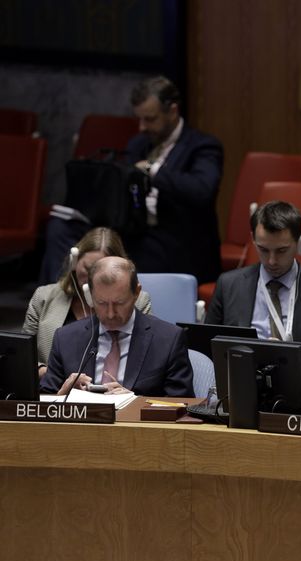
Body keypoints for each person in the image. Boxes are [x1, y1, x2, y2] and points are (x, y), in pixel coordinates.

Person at [39, 76, 224, 285]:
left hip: (175, 239)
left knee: (129, 256)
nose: (142, 127)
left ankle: (101, 299)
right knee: (60, 228)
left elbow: (202, 190)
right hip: (132, 230)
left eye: (150, 119)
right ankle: (60, 299)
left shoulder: (202, 146)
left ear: (172, 111)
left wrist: (152, 170)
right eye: (139, 119)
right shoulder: (138, 143)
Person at [205, 201, 301, 404]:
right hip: (239, 399)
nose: (272, 261)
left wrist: (289, 357)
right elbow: (207, 351)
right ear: (253, 240)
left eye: (282, 250)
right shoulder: (229, 285)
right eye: (263, 249)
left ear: (300, 244)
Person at [41, 257, 193, 397]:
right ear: (90, 296)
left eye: (119, 303)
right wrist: (61, 397)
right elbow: (42, 401)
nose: (110, 314)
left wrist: (135, 402)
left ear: (137, 293)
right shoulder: (65, 338)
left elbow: (182, 404)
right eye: (101, 303)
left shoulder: (168, 340)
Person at [24, 227, 152, 372]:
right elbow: (23, 356)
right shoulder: (44, 297)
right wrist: (49, 374)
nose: (92, 279)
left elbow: (148, 359)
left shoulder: (139, 301)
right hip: (53, 383)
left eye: (101, 272)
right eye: (88, 268)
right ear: (74, 262)